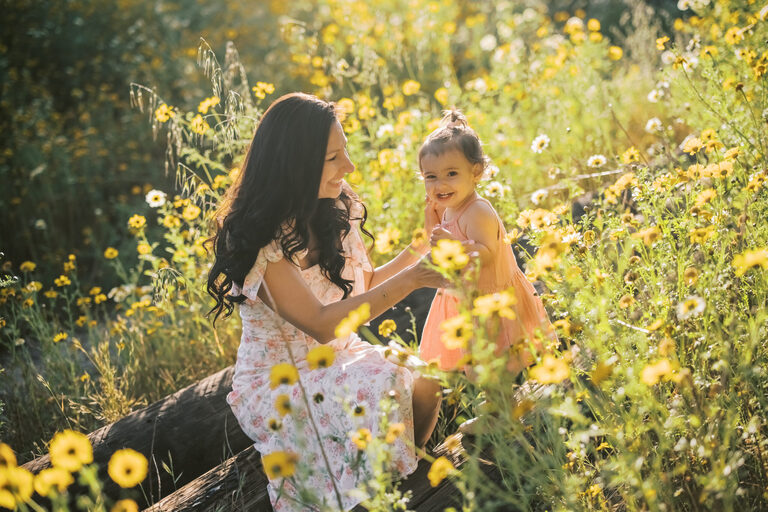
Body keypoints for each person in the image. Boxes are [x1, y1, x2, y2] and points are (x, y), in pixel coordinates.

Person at [206, 93, 443, 512]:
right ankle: (374, 492)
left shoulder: (335, 203)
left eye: (345, 150)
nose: (348, 166)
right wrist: (412, 280)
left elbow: (362, 284)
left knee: (428, 380)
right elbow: (319, 322)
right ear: (294, 165)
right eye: (334, 157)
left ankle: (407, 477)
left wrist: (420, 250)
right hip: (282, 380)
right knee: (384, 384)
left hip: (340, 356)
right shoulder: (253, 237)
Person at [418, 110, 554, 372]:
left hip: (491, 301)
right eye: (431, 177)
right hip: (466, 300)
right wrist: (431, 221)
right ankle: (494, 404)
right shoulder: (450, 207)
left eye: (451, 174)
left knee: (493, 366)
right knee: (474, 366)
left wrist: (453, 246)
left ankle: (500, 404)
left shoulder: (477, 210)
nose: (440, 184)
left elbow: (487, 253)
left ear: (476, 172)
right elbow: (433, 242)